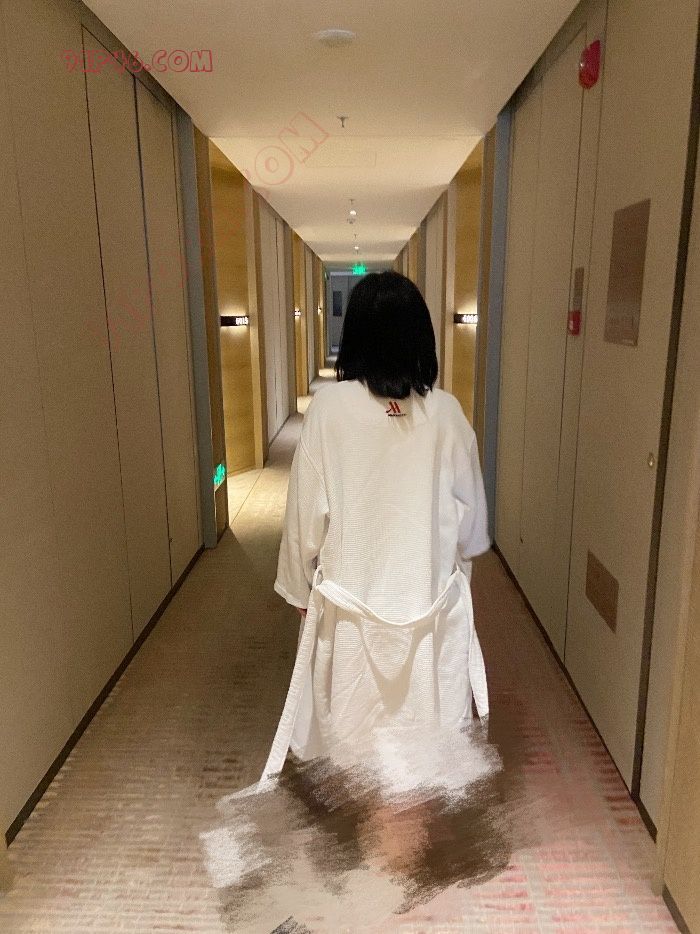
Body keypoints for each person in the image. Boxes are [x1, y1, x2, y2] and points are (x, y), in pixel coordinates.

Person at [265, 270, 492, 790]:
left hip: (352, 625)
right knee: (421, 751)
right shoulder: (448, 414)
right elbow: (472, 531)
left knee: (357, 747)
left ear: (355, 336)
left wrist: (300, 589)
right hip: (429, 615)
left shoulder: (329, 410)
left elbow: (303, 520)